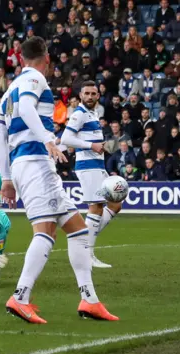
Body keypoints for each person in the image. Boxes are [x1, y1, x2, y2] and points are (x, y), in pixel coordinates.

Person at [0, 36, 118, 324]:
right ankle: (20, 296)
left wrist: (8, 177)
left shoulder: (8, 90)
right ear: (46, 57)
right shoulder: (35, 80)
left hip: (25, 163)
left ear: (21, 58)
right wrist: (50, 139)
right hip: (37, 162)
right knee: (45, 232)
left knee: (78, 231)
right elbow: (26, 109)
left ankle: (90, 300)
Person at [60, 81, 122, 269]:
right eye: (86, 93)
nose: (90, 96)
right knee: (96, 207)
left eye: (93, 93)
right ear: (80, 95)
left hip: (97, 164)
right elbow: (66, 138)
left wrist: (101, 146)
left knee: (115, 204)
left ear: (98, 96)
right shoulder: (79, 114)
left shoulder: (92, 113)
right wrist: (92, 146)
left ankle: (84, 241)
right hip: (88, 166)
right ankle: (87, 252)